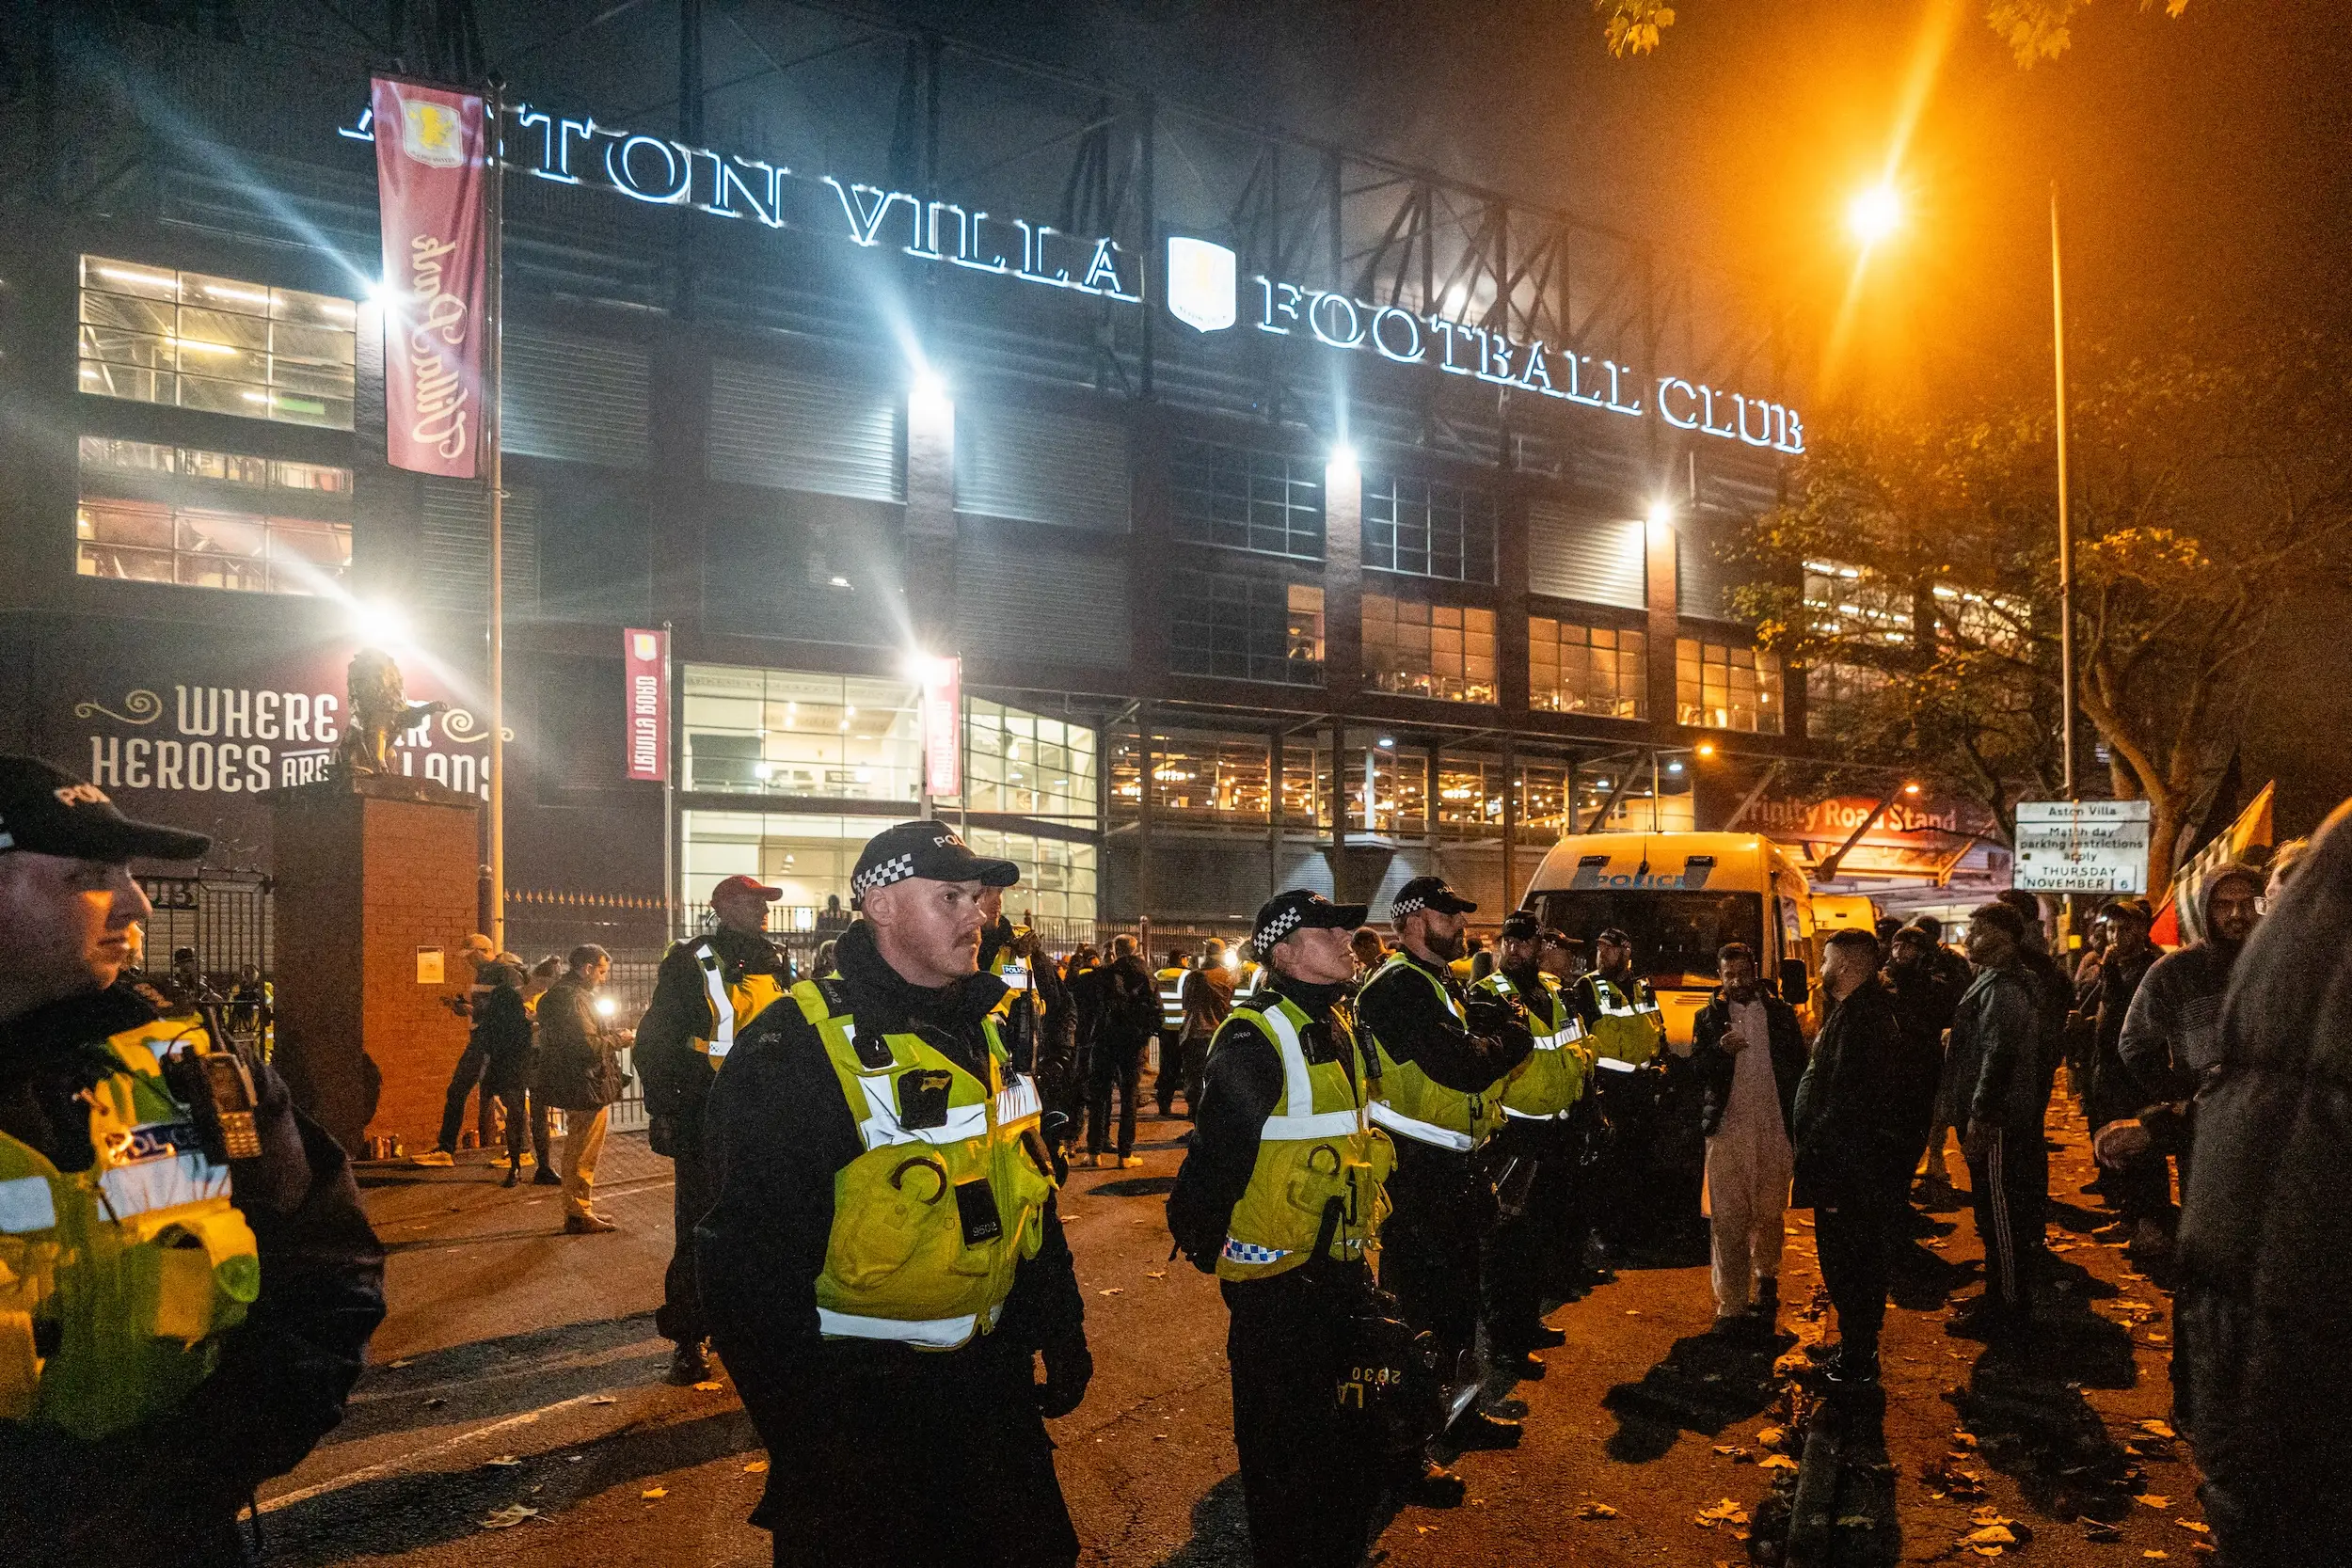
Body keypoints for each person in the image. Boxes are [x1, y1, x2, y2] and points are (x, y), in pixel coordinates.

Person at [0, 756, 384, 1565]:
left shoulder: (186, 1067)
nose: (136, 900)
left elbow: (321, 1262)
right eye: (91, 876)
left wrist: (205, 1463)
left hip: (174, 1530)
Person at [697, 821, 1089, 1568]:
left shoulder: (987, 1029)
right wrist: (811, 1443)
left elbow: (1030, 1191)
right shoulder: (798, 1046)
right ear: (880, 906)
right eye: (951, 896)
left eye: (977, 896)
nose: (978, 914)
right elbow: (746, 1271)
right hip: (861, 1414)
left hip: (990, 1400)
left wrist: (1059, 1325)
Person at [1167, 891, 1394, 1566]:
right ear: (1284, 949)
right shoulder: (1253, 1034)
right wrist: (1216, 1248)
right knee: (1285, 1457)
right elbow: (1213, 1163)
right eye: (1329, 930)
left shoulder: (1339, 1024)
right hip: (1280, 1286)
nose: (1348, 938)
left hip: (1341, 1271)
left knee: (1342, 1447)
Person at [2169, 806, 2351, 1567]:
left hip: (2259, 1420)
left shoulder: (2276, 984)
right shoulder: (2187, 980)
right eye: (2232, 901)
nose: (2246, 912)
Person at [1355, 875, 1532, 1461]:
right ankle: (1407, 1442)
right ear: (1410, 920)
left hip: (1450, 1160)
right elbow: (1459, 1065)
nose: (1460, 924)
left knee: (1457, 1301)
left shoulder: (1438, 982)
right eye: (1446, 914)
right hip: (1416, 1167)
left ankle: (1456, 1418)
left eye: (1459, 915)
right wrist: (1512, 1037)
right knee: (1418, 1309)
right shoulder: (1399, 986)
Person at [634, 875, 791, 1382]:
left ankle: (754, 1326)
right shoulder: (690, 960)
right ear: (724, 907)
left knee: (769, 1226)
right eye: (753, 902)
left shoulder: (777, 959)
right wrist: (665, 1108)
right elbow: (655, 1039)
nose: (764, 910)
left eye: (766, 903)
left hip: (767, 1111)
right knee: (700, 1229)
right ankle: (689, 1337)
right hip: (707, 1113)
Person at [1790, 929, 1911, 1384]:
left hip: (1849, 1168)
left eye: (1824, 960)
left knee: (1850, 1261)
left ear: (1844, 967)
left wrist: (1821, 1155)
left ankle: (1858, 1359)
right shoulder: (1856, 1012)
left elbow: (1847, 1103)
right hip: (1849, 1165)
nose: (1819, 969)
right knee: (1848, 1260)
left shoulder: (1864, 1021)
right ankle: (1853, 1347)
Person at [1474, 911, 1592, 1370]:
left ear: (1540, 945)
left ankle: (1527, 1322)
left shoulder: (1554, 992)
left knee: (1541, 1232)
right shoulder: (1487, 995)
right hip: (1514, 1131)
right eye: (1511, 940)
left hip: (1555, 1127)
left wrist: (1586, 1109)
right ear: (1502, 944)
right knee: (1507, 1242)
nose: (1518, 948)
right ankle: (1505, 1341)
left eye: (1527, 941)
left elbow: (1573, 1050)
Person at [1691, 942, 1806, 1333]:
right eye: (1729, 975)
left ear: (1755, 971)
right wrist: (1719, 1052)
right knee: (1727, 1220)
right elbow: (1696, 1073)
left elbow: (1798, 1066)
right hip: (1727, 1131)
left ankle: (1767, 1275)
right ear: (1720, 976)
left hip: (1773, 1128)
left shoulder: (1780, 1014)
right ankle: (1731, 1305)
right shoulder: (1707, 1018)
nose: (1736, 981)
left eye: (1743, 973)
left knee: (1770, 1210)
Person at [1944, 903, 2045, 1338]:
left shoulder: (2004, 986)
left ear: (2003, 937)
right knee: (1992, 1211)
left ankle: (2009, 1307)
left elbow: (1999, 1056)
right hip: (1996, 1114)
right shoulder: (1992, 980)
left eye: (1977, 929)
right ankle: (1998, 1293)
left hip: (2000, 1120)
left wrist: (1982, 1116)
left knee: (2001, 1213)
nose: (1969, 936)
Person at [1573, 927, 1671, 1262]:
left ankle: (1634, 1231)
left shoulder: (1643, 986)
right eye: (1599, 948)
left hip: (1643, 1089)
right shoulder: (1586, 987)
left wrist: (1664, 1064)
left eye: (1610, 949)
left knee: (1638, 1162)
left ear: (1626, 951)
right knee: (1609, 1167)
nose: (1602, 955)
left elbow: (1657, 1027)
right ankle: (1606, 1236)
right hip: (1609, 1088)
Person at [2079, 899, 2166, 1243]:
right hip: (2108, 1068)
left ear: (2142, 930)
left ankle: (2152, 1224)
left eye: (2126, 928)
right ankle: (2129, 1217)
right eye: (2112, 929)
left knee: (2143, 1150)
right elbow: (2108, 1012)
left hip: (2139, 1071)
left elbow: (2139, 1016)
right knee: (2119, 1149)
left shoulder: (2153, 965)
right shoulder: (2112, 964)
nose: (2117, 936)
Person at [536, 943, 630, 1235]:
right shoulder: (575, 999)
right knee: (581, 1149)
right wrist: (618, 1039)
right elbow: (586, 1046)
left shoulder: (560, 995)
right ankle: (578, 1211)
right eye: (601, 971)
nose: (603, 978)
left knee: (578, 1146)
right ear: (586, 968)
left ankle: (580, 1206)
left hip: (574, 1081)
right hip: (585, 1083)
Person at [1883, 925, 1959, 1197]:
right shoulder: (1882, 985)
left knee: (1927, 1123)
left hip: (1926, 1065)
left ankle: (1931, 1162)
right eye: (1897, 946)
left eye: (1909, 946)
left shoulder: (1936, 986)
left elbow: (1948, 1019)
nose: (1901, 952)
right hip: (1891, 1069)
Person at [416, 931, 503, 1165]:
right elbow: (485, 1006)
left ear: (483, 951)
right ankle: (521, 1149)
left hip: (488, 1040)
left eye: (471, 956)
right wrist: (463, 1006)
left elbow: (503, 1009)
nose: (467, 961)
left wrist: (471, 1010)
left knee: (463, 1090)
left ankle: (446, 1149)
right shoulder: (484, 972)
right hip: (482, 1039)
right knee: (501, 1093)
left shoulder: (500, 972)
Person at [1088, 934, 1160, 1167]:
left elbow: (1092, 1008)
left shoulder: (1103, 974)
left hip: (1105, 1041)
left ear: (1115, 950)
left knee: (1100, 1096)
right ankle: (1125, 1155)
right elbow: (1157, 1010)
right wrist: (1144, 1034)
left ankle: (1094, 1152)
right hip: (1132, 1043)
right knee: (1129, 1098)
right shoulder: (1145, 975)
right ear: (1135, 949)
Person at [478, 958, 551, 1187]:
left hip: (537, 1059)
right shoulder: (507, 997)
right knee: (516, 1114)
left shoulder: (545, 1000)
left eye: (547, 986)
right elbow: (500, 1029)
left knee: (541, 1113)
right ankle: (515, 1166)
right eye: (542, 984)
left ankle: (545, 1166)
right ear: (534, 978)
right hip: (513, 1061)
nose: (543, 989)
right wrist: (530, 1025)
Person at [1176, 938, 1238, 1118]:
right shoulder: (1229, 977)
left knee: (1194, 1080)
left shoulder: (1194, 977)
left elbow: (1186, 1003)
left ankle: (1196, 1122)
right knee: (1214, 1080)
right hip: (1218, 1033)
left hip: (1196, 1033)